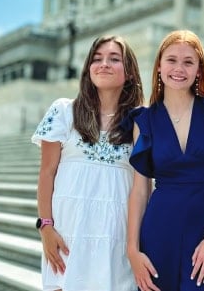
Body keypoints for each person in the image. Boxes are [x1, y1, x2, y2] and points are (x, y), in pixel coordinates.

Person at [124, 30, 204, 291]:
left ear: (199, 70)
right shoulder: (143, 119)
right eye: (171, 60)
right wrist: (132, 250)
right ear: (158, 66)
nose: (179, 69)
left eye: (189, 62)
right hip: (158, 232)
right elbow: (140, 190)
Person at [31, 35, 144, 291]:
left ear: (129, 72)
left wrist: (135, 244)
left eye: (114, 59)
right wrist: (45, 228)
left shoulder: (141, 120)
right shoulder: (63, 111)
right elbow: (47, 174)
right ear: (88, 69)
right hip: (68, 234)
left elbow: (143, 185)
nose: (104, 64)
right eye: (97, 58)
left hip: (116, 237)